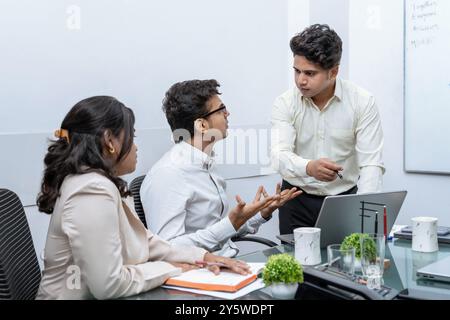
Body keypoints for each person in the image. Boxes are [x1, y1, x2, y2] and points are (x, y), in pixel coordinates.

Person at [36, 96, 250, 300]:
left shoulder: (97, 183)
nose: (136, 147)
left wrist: (200, 257)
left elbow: (145, 241)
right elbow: (107, 284)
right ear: (110, 141)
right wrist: (171, 269)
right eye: (132, 137)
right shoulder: (90, 189)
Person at [140, 80, 301, 258]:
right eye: (221, 109)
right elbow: (168, 249)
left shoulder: (205, 164)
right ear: (202, 125)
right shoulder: (169, 174)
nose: (228, 113)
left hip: (225, 263)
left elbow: (220, 232)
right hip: (198, 273)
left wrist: (261, 213)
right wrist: (231, 223)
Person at [271, 24, 385, 235]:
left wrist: (365, 213)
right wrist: (309, 167)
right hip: (295, 200)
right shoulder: (285, 103)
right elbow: (278, 155)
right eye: (296, 71)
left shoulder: (362, 102)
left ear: (333, 72)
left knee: (345, 264)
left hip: (343, 200)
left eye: (310, 73)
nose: (300, 80)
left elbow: (371, 164)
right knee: (296, 266)